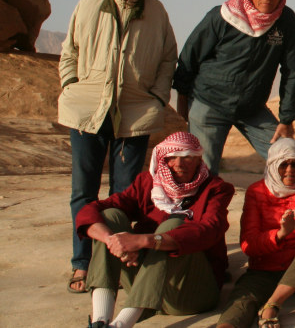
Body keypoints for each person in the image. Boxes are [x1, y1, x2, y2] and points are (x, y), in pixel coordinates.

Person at [58, 0, 177, 294]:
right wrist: (70, 85)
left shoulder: (156, 11)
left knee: (124, 194)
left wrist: (156, 97)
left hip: (135, 113)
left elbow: (168, 58)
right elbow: (71, 50)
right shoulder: (90, 2)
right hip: (87, 112)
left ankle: (112, 260)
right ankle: (82, 263)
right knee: (84, 190)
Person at [76, 132, 234, 328]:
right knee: (110, 216)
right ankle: (100, 320)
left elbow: (210, 230)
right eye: (171, 158)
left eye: (186, 157)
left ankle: (122, 324)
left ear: (198, 159)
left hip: (187, 293)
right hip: (143, 283)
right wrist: (112, 241)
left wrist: (145, 241)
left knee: (173, 227)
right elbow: (89, 211)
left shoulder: (215, 188)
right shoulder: (147, 183)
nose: (178, 164)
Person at [173, 0, 295, 176]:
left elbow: (294, 71)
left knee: (288, 159)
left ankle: (288, 209)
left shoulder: (285, 21)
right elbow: (190, 57)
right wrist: (182, 97)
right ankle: (200, 210)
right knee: (203, 172)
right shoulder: (223, 16)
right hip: (209, 104)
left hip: (252, 108)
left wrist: (287, 118)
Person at [216, 138, 295, 328]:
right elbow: (248, 245)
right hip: (266, 269)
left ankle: (273, 305)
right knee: (241, 303)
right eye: (283, 164)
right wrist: (280, 233)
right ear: (273, 165)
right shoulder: (257, 191)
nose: (290, 170)